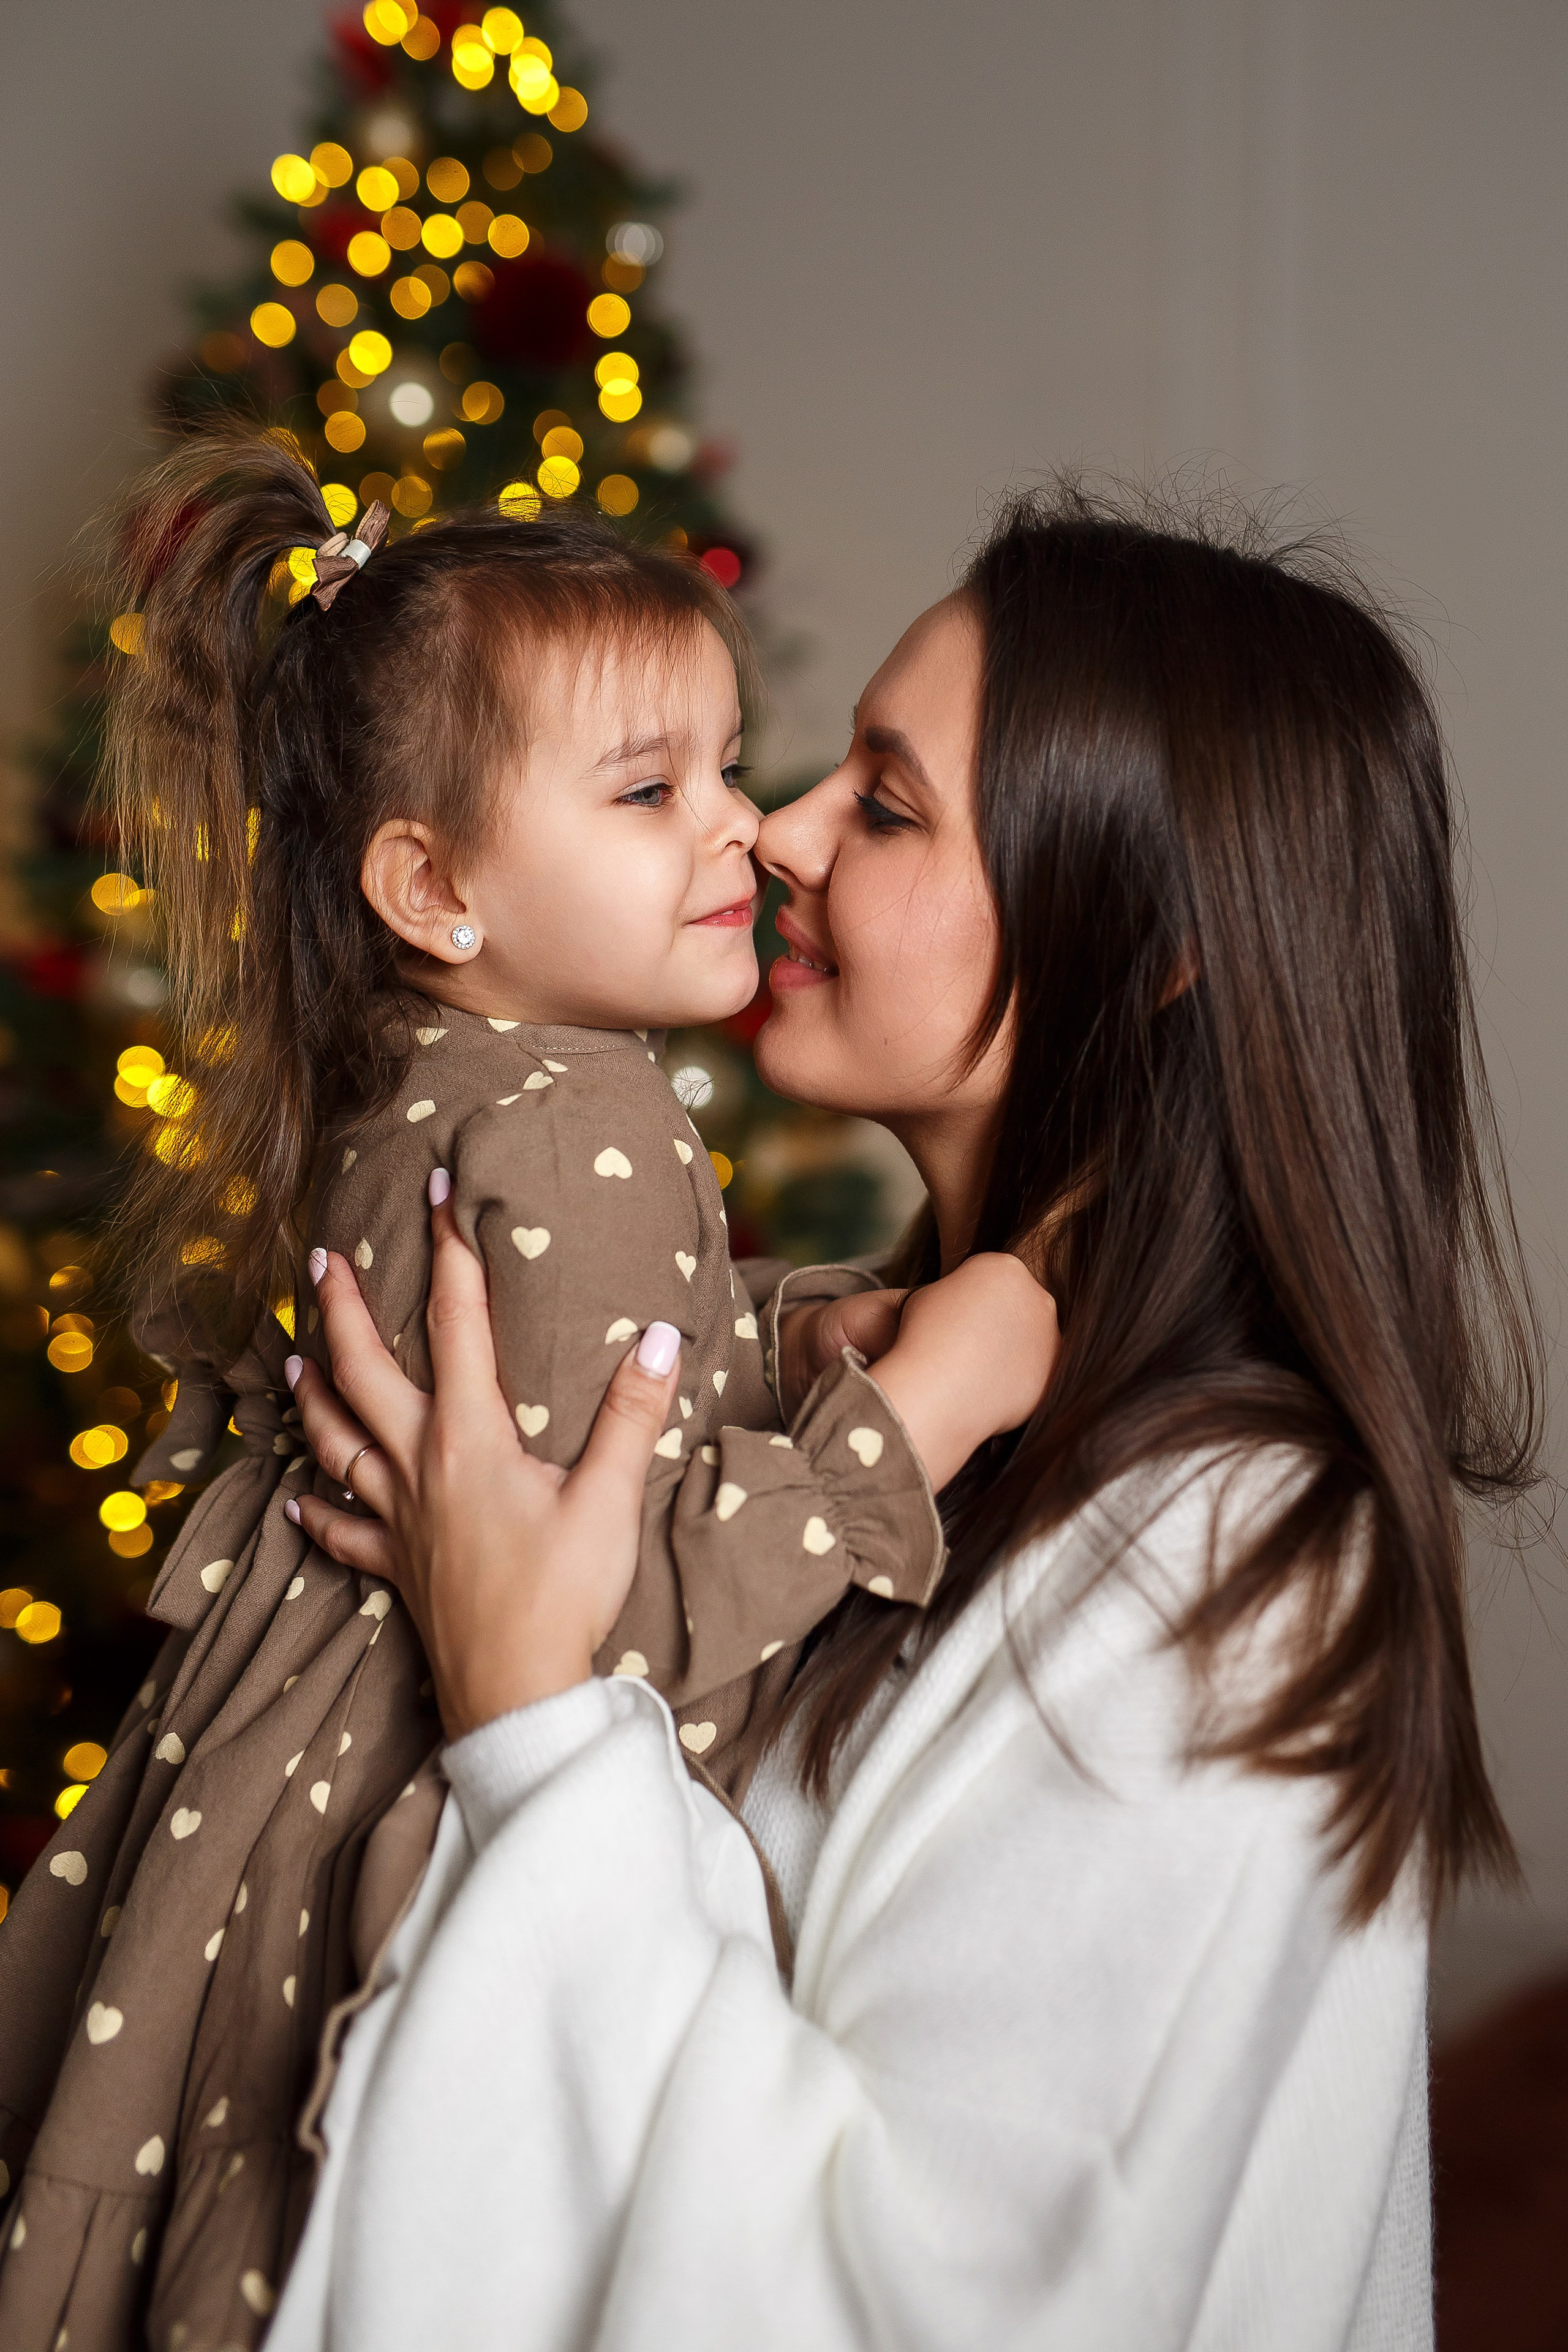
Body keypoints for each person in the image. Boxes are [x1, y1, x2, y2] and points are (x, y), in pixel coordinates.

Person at [257, 479, 1544, 2351]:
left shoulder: (1231, 1570)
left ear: (1157, 934)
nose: (774, 834)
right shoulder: (892, 1399)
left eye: (886, 801)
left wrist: (533, 1710)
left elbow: (930, 2303)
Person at [0, 435, 1054, 2352]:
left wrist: (790, 1326)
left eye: (729, 763)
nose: (745, 828)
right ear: (436, 885)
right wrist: (908, 1428)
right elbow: (602, 1625)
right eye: (652, 790)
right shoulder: (588, 1134)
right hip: (402, 1852)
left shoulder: (449, 1085)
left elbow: (585, 1405)